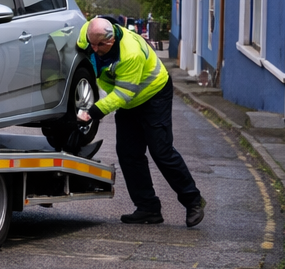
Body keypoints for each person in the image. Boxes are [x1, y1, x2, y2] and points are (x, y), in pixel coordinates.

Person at [76, 16, 206, 227]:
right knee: (128, 154)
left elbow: (123, 94)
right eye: (92, 43)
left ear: (112, 38)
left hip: (153, 94)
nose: (95, 48)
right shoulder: (87, 36)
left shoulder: (130, 53)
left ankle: (193, 201)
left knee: (161, 151)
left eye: (101, 44)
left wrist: (93, 112)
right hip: (129, 102)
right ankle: (148, 208)